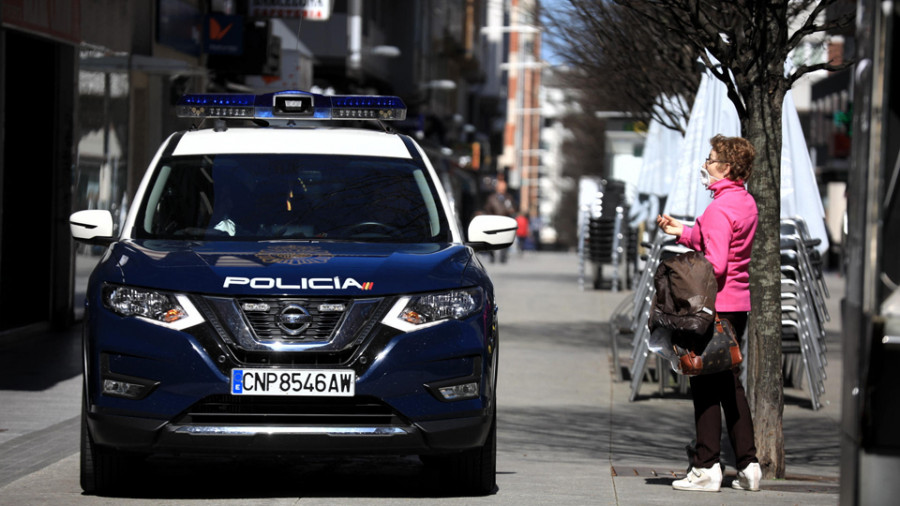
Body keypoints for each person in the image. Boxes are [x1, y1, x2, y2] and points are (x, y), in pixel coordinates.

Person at [657, 134, 762, 493]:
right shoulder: (744, 202)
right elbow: (725, 245)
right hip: (737, 306)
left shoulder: (719, 208)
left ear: (726, 167)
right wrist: (684, 232)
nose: (706, 163)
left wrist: (682, 272)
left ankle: (706, 466)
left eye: (711, 158)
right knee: (730, 386)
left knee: (702, 383)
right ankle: (748, 465)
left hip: (714, 310)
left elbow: (716, 263)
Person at [483, 179, 516, 263]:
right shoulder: (491, 198)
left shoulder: (508, 197)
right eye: (501, 187)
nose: (503, 189)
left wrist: (511, 210)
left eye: (504, 187)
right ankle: (492, 256)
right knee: (492, 239)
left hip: (505, 220)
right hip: (494, 221)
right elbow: (487, 209)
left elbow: (512, 207)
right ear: (497, 187)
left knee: (504, 239)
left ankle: (503, 257)